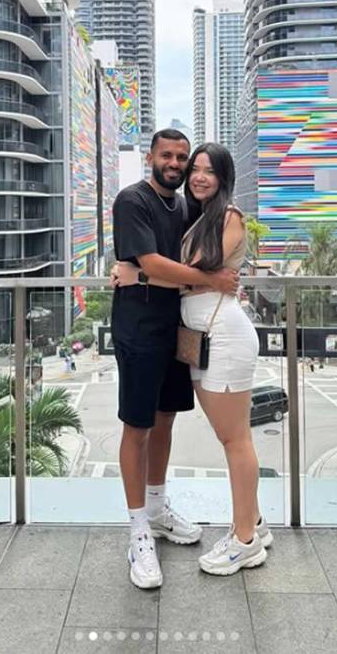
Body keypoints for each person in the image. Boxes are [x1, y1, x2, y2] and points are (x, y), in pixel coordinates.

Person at [113, 142, 271, 578]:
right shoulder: (165, 207)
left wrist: (138, 273)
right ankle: (150, 526)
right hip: (178, 335)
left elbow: (194, 275)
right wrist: (143, 271)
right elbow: (197, 275)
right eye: (189, 165)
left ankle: (244, 539)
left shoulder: (225, 216)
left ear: (223, 177)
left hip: (220, 336)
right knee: (147, 426)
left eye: (204, 168)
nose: (193, 173)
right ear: (151, 158)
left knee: (233, 439)